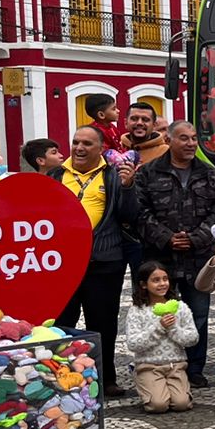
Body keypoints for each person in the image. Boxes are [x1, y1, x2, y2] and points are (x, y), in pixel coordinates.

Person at [135, 121, 215, 387]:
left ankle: (194, 368)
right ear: (169, 139)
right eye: (184, 139)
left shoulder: (210, 174)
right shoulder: (149, 173)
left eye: (193, 138)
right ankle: (160, 366)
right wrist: (166, 238)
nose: (190, 144)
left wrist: (197, 237)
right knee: (157, 314)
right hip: (161, 259)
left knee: (198, 314)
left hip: (198, 258)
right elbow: (139, 212)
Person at [51, 125, 137, 398]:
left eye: (87, 143)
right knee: (61, 321)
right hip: (63, 263)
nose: (79, 148)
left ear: (101, 148)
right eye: (76, 142)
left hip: (103, 260)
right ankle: (61, 374)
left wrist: (128, 187)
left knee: (103, 323)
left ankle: (106, 377)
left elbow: (129, 215)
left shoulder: (113, 175)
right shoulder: (55, 175)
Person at [124, 260, 199, 414]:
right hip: (149, 365)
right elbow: (133, 343)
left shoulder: (180, 307)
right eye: (156, 280)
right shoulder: (137, 310)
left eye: (165, 279)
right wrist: (159, 327)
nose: (162, 284)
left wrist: (173, 328)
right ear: (144, 285)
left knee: (181, 404)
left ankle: (173, 386)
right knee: (158, 405)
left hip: (175, 366)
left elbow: (193, 338)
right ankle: (141, 377)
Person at [120, 101, 169, 166]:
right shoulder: (117, 148)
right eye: (134, 119)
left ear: (154, 125)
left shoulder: (166, 153)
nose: (139, 123)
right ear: (125, 123)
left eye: (145, 119)